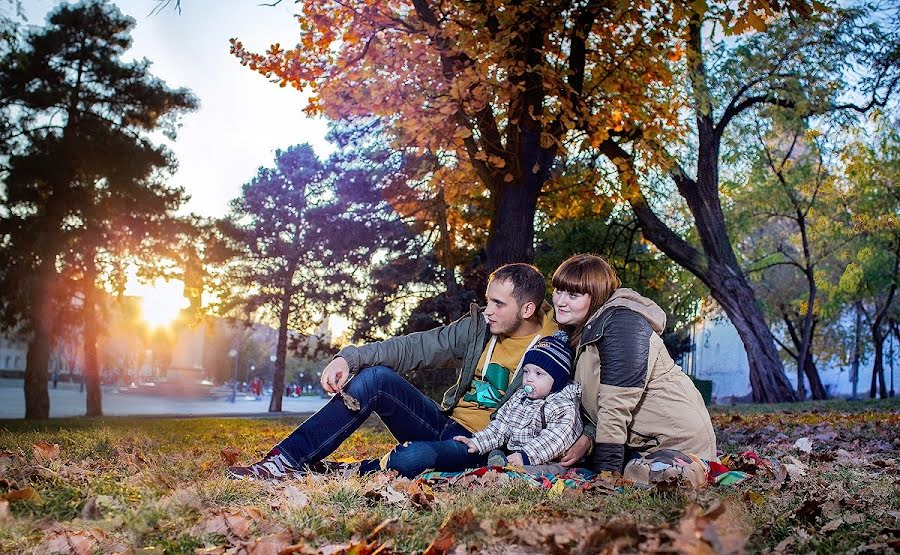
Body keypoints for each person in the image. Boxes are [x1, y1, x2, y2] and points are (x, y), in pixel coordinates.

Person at [227, 263, 558, 480]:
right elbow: (412, 348)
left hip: (480, 447)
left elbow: (573, 407)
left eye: (498, 304)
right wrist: (350, 358)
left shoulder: (554, 350)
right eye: (488, 301)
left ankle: (348, 471)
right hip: (444, 426)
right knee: (375, 379)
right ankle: (284, 462)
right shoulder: (477, 329)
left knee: (412, 458)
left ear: (527, 309)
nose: (488, 311)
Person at [551, 254, 717, 476]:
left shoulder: (622, 325)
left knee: (644, 477)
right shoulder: (582, 329)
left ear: (596, 295)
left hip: (675, 443)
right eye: (558, 290)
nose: (560, 301)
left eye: (573, 294)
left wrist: (606, 475)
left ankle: (687, 470)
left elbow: (615, 406)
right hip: (640, 444)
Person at [453, 331, 582, 468]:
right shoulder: (519, 398)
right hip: (519, 455)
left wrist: (526, 456)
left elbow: (555, 439)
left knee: (550, 470)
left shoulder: (563, 405)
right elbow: (500, 426)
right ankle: (500, 462)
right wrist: (478, 442)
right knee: (507, 462)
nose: (529, 378)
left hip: (548, 458)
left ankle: (511, 468)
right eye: (526, 371)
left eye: (538, 373)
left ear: (557, 381)